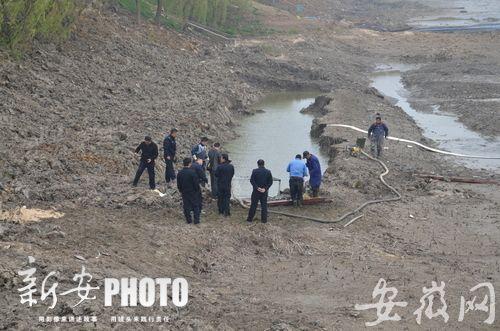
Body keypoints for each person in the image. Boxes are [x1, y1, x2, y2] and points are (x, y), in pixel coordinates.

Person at [246, 159, 273, 223]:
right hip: (264, 192)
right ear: (264, 164)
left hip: (256, 191)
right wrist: (265, 189)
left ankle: (249, 219)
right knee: (264, 206)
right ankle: (264, 220)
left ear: (257, 164)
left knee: (253, 205)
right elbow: (270, 182)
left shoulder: (255, 171)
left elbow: (252, 180)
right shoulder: (268, 171)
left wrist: (257, 187)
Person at [177, 158, 202, 224]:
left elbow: (178, 184)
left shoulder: (180, 173)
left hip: (184, 191)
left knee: (186, 206)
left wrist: (181, 190)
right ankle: (196, 220)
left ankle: (189, 220)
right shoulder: (192, 173)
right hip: (193, 191)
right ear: (189, 164)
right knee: (195, 205)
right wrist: (197, 190)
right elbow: (196, 183)